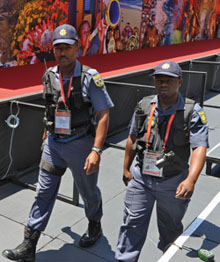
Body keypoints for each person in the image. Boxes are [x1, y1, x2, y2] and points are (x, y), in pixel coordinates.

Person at [2, 24, 114, 262]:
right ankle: (29, 245)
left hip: (81, 145)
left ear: (77, 48)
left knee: (88, 192)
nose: (62, 53)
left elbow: (103, 115)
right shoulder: (49, 75)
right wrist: (46, 134)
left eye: (67, 48)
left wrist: (96, 150)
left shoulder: (89, 78)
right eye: (58, 48)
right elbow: (51, 109)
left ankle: (95, 224)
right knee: (43, 192)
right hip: (54, 145)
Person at [115, 60, 208, 262]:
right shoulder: (144, 105)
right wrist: (126, 167)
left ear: (180, 82)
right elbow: (132, 137)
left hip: (173, 182)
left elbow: (199, 147)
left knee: (171, 227)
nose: (163, 84)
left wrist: (191, 180)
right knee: (131, 224)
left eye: (169, 80)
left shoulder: (192, 111)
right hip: (142, 178)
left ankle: (170, 255)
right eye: (159, 80)